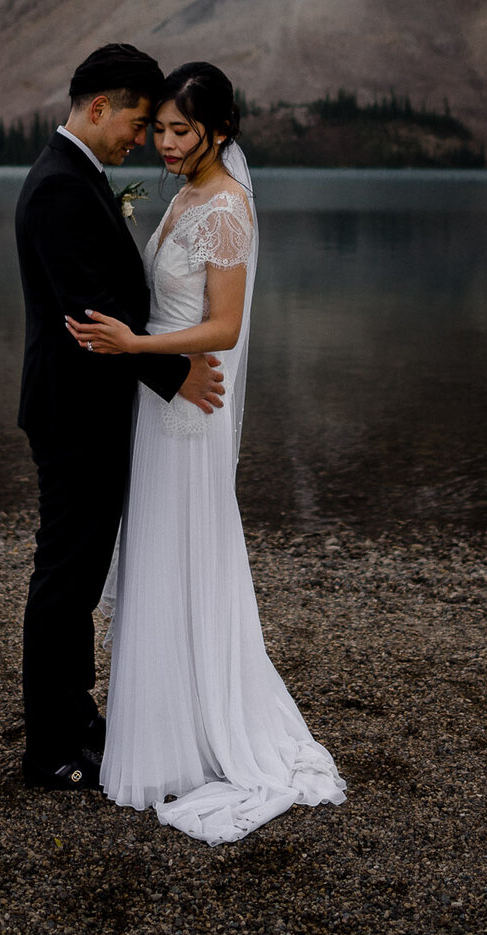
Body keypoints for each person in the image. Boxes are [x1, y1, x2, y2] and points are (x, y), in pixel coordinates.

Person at [66, 61, 346, 843]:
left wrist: (136, 344)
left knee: (187, 551)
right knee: (158, 554)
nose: (163, 142)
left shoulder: (226, 207)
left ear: (220, 131)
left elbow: (224, 326)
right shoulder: (185, 194)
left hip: (191, 411)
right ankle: (163, 723)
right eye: (157, 128)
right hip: (164, 405)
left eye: (181, 130)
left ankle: (197, 727)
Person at [12, 44, 224, 790]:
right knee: (65, 580)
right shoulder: (58, 189)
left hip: (90, 409)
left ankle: (76, 714)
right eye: (137, 123)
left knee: (77, 573)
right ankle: (51, 750)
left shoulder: (77, 175)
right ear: (98, 107)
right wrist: (176, 371)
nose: (142, 139)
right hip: (75, 413)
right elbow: (90, 316)